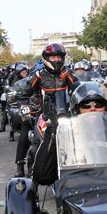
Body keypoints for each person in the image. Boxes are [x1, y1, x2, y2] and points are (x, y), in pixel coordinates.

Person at [15, 42, 80, 177]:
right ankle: (22, 165)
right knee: (27, 136)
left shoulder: (67, 73)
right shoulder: (38, 75)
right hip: (43, 114)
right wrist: (24, 106)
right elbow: (23, 94)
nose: (56, 60)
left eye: (59, 57)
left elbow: (79, 89)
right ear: (47, 58)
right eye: (53, 57)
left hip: (65, 113)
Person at [33, 82, 107, 186]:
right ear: (77, 109)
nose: (93, 109)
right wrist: (52, 132)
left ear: (106, 107)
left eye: (98, 104)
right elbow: (43, 177)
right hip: (77, 190)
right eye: (86, 105)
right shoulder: (67, 137)